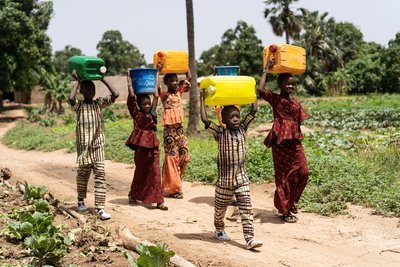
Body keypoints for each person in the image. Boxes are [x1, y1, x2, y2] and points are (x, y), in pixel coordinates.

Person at [200, 90, 263, 250]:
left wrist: (251, 91)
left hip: (241, 179)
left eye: (237, 116)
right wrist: (201, 98)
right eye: (231, 117)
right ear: (224, 120)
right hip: (224, 181)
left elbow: (254, 110)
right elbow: (205, 119)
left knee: (247, 209)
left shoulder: (243, 129)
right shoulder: (220, 133)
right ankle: (219, 229)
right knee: (220, 210)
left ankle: (249, 239)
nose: (236, 119)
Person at [257, 60, 309, 223]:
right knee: (283, 177)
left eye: (293, 84)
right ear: (280, 85)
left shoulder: (296, 104)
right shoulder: (276, 99)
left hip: (294, 144)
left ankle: (292, 202)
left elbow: (298, 124)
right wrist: (266, 69)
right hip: (280, 145)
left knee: (303, 172)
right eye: (287, 84)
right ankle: (285, 210)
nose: (291, 87)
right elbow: (260, 89)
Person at [69, 70, 119, 220]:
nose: (91, 91)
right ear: (82, 92)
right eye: (88, 89)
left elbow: (115, 94)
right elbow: (71, 98)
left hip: (98, 145)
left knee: (100, 175)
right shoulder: (79, 106)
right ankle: (80, 202)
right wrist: (77, 82)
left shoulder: (99, 104)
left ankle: (100, 208)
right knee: (83, 175)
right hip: (84, 147)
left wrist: (103, 79)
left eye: (93, 89)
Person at [125, 66, 168, 211]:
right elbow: (131, 97)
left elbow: (156, 94)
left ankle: (159, 201)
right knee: (141, 171)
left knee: (155, 172)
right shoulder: (136, 115)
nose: (147, 105)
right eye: (144, 104)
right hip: (141, 148)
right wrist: (129, 79)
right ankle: (133, 195)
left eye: (148, 103)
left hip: (153, 146)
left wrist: (157, 74)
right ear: (139, 105)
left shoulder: (153, 113)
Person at [158, 65, 191, 199]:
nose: (175, 82)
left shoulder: (179, 93)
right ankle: (176, 189)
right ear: (165, 82)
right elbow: (156, 86)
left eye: (176, 80)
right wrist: (158, 71)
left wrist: (185, 65)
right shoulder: (163, 95)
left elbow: (189, 78)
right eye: (171, 80)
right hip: (169, 131)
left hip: (180, 129)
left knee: (185, 155)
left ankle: (173, 182)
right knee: (171, 157)